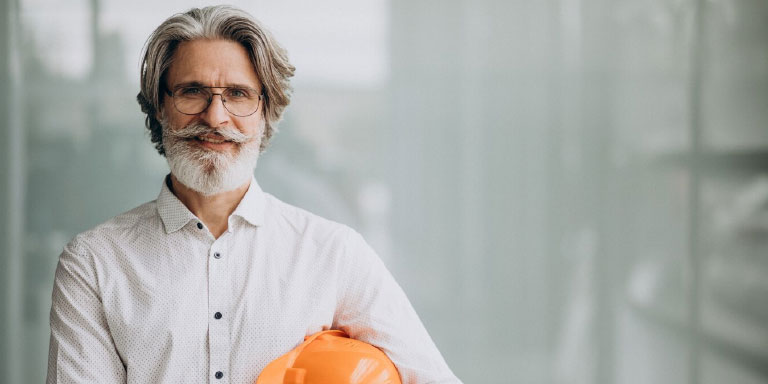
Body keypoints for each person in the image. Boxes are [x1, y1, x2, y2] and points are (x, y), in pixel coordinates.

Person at [46, 5, 460, 384]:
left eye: (238, 94)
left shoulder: (334, 254)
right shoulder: (94, 264)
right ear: (159, 105)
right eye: (192, 91)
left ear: (267, 110)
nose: (215, 116)